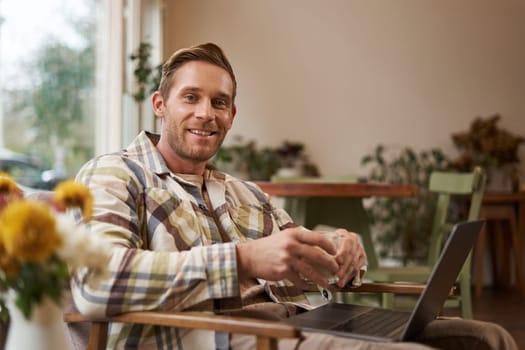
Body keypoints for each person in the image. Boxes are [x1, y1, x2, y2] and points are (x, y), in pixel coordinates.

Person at [71, 42, 517, 350]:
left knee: (488, 339)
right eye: (191, 97)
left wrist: (341, 249)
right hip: (210, 337)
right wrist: (243, 260)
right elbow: (98, 284)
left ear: (232, 115)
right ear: (161, 104)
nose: (206, 113)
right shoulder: (115, 174)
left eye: (220, 102)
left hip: (299, 324)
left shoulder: (246, 194)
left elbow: (301, 255)